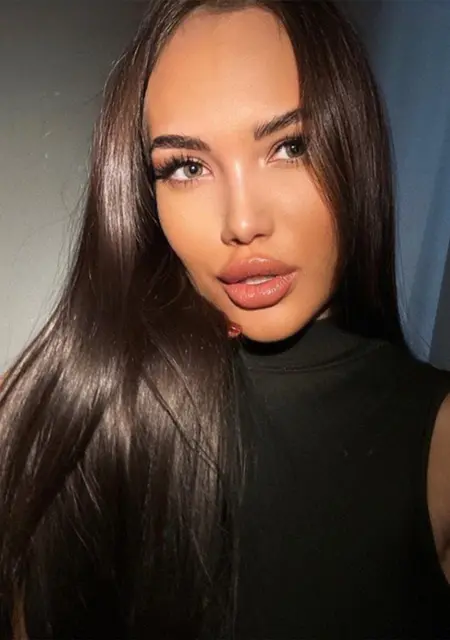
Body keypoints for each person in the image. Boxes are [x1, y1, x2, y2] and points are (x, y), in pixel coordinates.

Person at [0, 0, 449, 638]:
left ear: (356, 145)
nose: (242, 222)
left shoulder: (437, 447)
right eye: (187, 167)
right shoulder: (61, 416)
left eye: (291, 146)